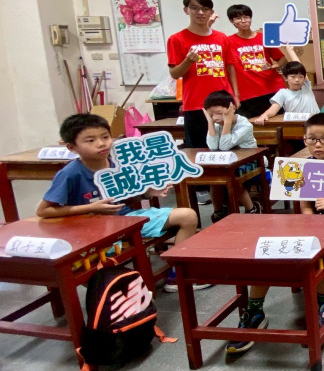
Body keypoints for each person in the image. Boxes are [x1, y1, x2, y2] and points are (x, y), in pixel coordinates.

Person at [226, 112, 324, 355]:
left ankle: (318, 303)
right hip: (312, 222)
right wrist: (310, 219)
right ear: (304, 140)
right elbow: (305, 205)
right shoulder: (303, 167)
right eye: (311, 139)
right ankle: (255, 310)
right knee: (270, 248)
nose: (317, 144)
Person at [36, 113, 204, 294]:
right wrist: (91, 208)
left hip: (126, 219)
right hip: (93, 231)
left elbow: (127, 196)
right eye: (90, 140)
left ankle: (177, 274)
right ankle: (112, 288)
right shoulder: (70, 173)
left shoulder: (118, 162)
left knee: (187, 216)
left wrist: (147, 193)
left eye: (105, 137)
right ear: (72, 147)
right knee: (87, 271)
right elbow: (44, 210)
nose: (101, 144)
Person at [167, 0, 231, 148]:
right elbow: (175, 74)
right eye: (195, 8)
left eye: (205, 9)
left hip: (223, 103)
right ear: (186, 10)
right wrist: (188, 61)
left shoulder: (222, 37)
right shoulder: (176, 39)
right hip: (195, 104)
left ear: (211, 12)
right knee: (199, 151)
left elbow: (229, 68)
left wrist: (235, 96)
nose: (201, 12)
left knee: (229, 149)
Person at [204, 89, 261, 221]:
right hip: (228, 164)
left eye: (219, 113)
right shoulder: (216, 124)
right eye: (210, 115)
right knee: (214, 178)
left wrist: (228, 122)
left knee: (233, 176)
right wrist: (210, 123)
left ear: (232, 108)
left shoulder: (245, 125)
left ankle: (251, 209)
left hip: (251, 162)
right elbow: (213, 147)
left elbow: (224, 146)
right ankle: (219, 211)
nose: (215, 118)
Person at [224, 3, 287, 118]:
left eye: (246, 17)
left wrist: (272, 66)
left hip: (272, 89)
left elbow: (283, 60)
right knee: (249, 126)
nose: (243, 21)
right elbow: (228, 68)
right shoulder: (228, 42)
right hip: (247, 94)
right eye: (238, 18)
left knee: (277, 123)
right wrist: (235, 95)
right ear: (232, 21)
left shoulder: (263, 38)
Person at [250, 47, 319, 125]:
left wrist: (290, 50)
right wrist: (264, 115)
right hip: (296, 126)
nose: (297, 80)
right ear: (285, 78)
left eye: (301, 77)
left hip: (316, 123)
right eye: (293, 77)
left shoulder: (306, 87)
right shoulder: (283, 93)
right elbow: (273, 109)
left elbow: (300, 66)